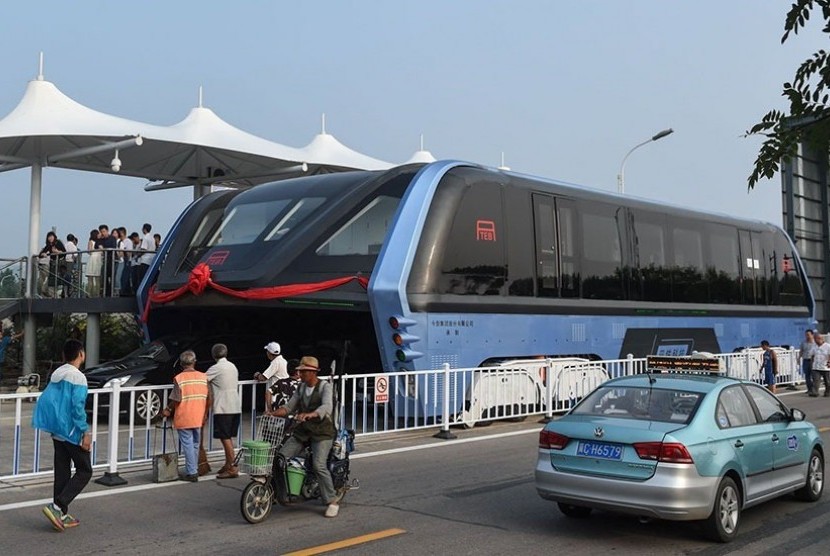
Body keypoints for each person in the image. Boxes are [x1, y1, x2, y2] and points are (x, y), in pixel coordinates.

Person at [32, 339, 91, 531]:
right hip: (71, 431)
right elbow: (77, 407)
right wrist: (85, 432)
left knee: (62, 472)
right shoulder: (78, 377)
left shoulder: (56, 374)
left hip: (56, 431)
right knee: (85, 470)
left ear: (63, 356)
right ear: (81, 354)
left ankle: (62, 514)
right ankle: (57, 507)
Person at [273, 356, 343, 518]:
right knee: (280, 458)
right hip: (304, 431)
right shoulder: (301, 388)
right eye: (300, 371)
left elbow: (327, 407)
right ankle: (283, 493)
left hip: (322, 432)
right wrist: (274, 413)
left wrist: (311, 414)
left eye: (303, 371)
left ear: (312, 373)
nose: (300, 374)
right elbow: (289, 407)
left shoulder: (325, 387)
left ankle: (331, 500)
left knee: (319, 465)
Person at [161, 350, 210, 482]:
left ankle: (192, 472)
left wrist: (167, 409)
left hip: (185, 416)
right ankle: (193, 469)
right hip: (198, 416)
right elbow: (209, 397)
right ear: (194, 362)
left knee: (188, 444)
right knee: (195, 444)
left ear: (182, 364)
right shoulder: (203, 377)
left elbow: (176, 399)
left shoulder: (179, 378)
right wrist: (205, 413)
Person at [205, 343, 241, 479]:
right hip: (235, 404)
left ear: (214, 355)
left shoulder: (216, 368)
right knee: (228, 437)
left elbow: (202, 379)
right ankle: (228, 463)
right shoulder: (232, 366)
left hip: (223, 407)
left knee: (225, 437)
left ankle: (233, 466)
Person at [37, 231, 65, 297]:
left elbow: (64, 252)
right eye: (49, 237)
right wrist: (43, 254)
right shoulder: (49, 245)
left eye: (51, 236)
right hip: (52, 263)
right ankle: (51, 294)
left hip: (60, 262)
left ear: (54, 237)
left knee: (58, 278)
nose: (50, 238)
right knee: (52, 278)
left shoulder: (58, 243)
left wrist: (57, 251)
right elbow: (41, 254)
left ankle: (58, 294)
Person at [85, 229, 102, 297]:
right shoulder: (100, 242)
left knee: (90, 279)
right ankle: (97, 294)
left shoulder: (91, 242)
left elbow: (89, 251)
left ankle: (89, 294)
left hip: (92, 259)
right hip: (98, 259)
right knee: (97, 279)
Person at [800, 329, 817, 395]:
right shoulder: (803, 342)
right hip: (805, 360)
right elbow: (801, 350)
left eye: (808, 335)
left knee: (814, 375)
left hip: (813, 361)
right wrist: (799, 358)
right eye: (806, 335)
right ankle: (809, 389)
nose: (807, 336)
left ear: (812, 335)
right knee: (807, 375)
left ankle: (814, 389)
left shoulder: (815, 343)